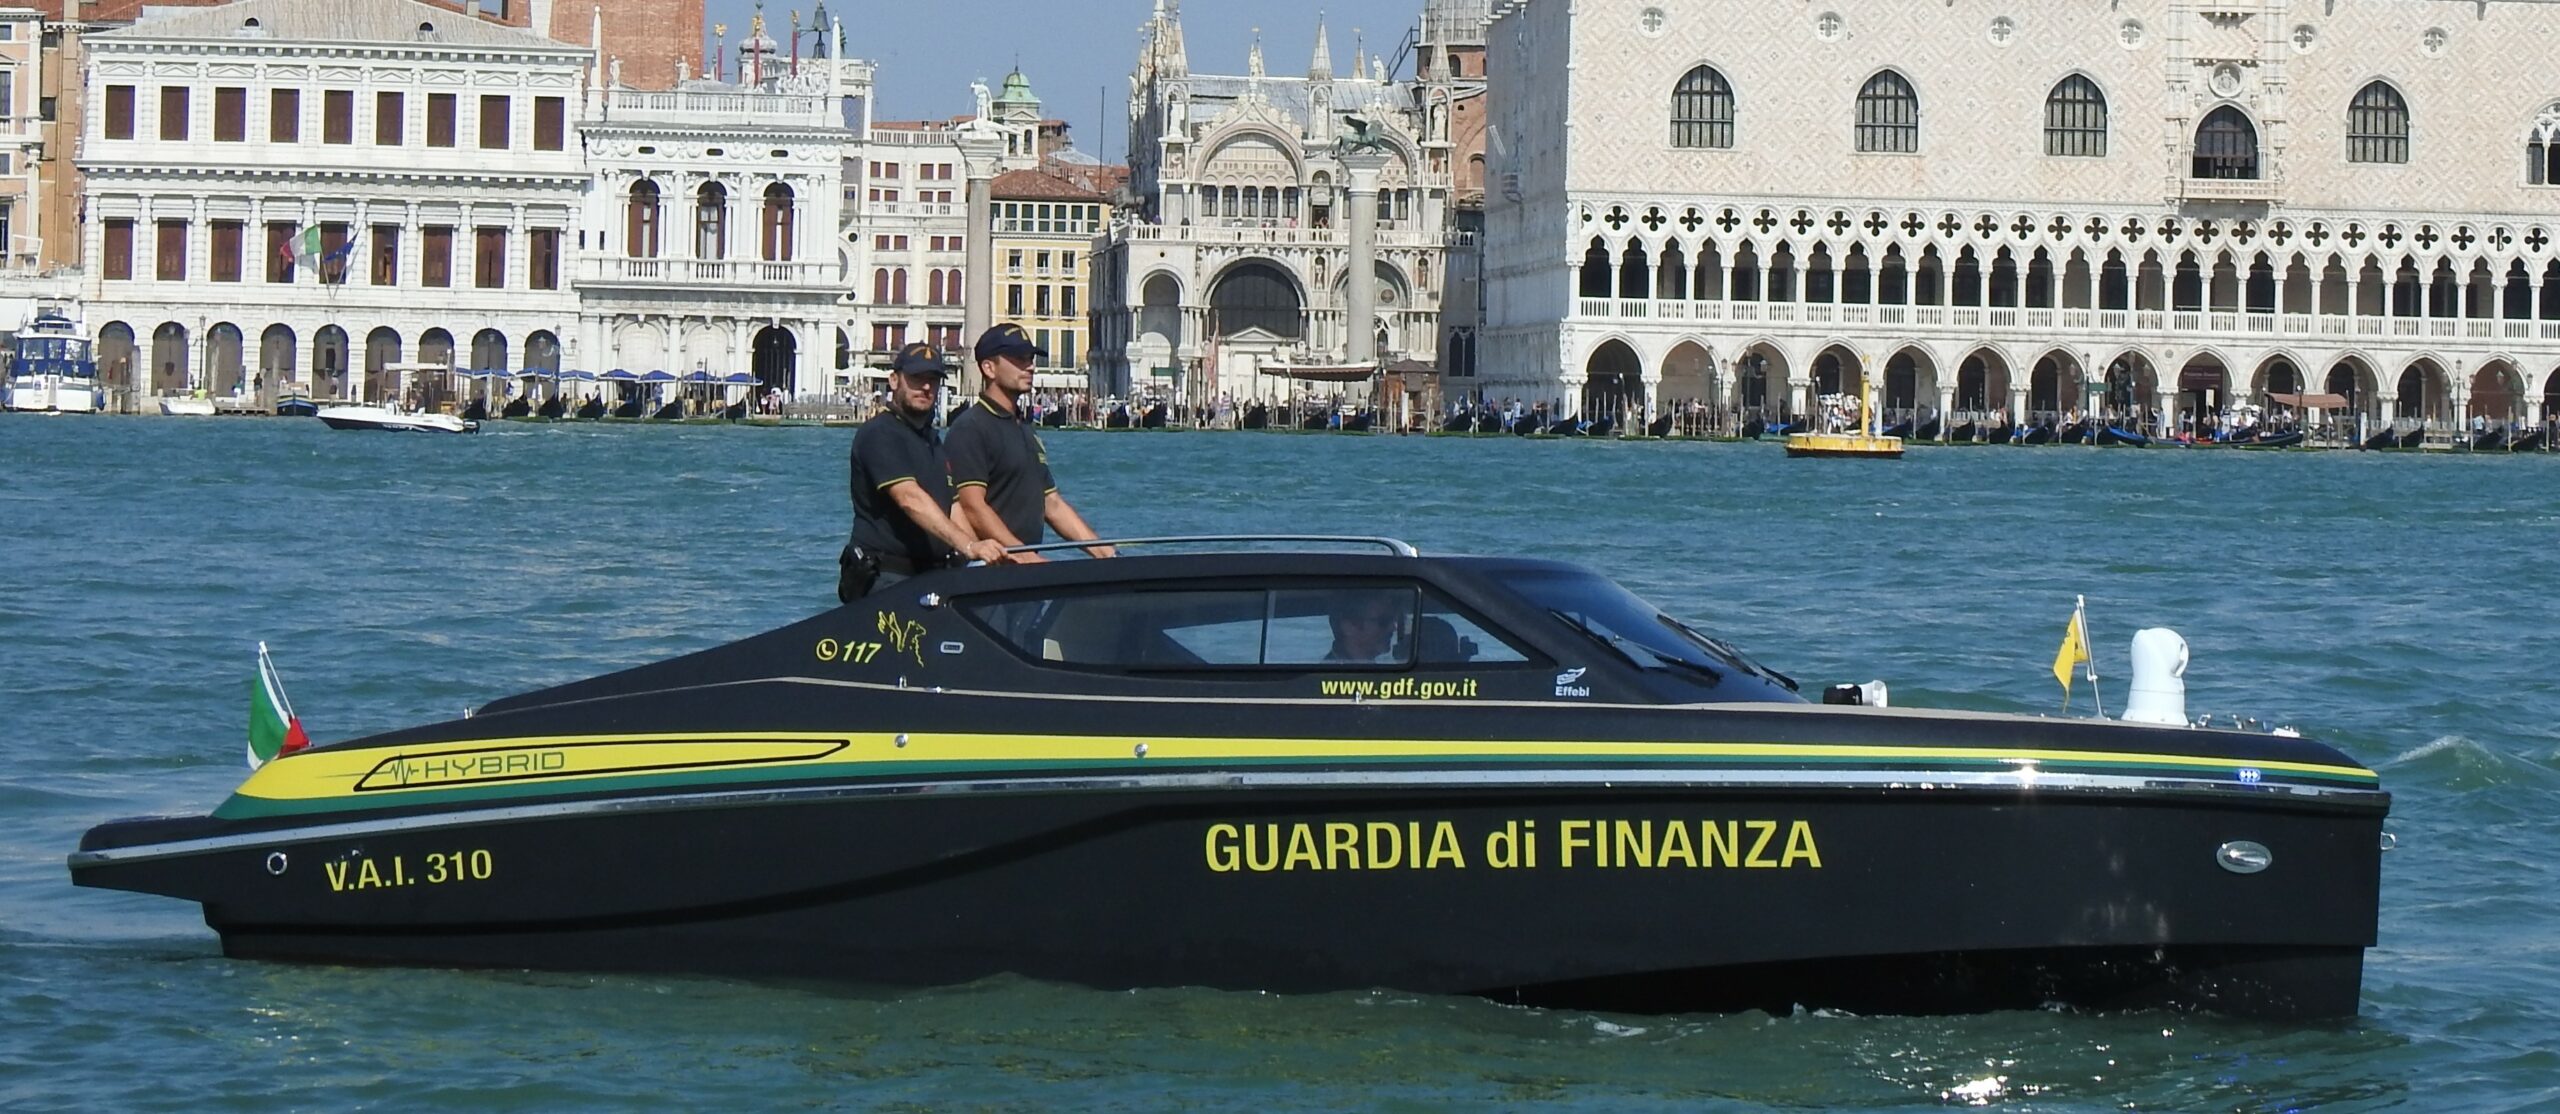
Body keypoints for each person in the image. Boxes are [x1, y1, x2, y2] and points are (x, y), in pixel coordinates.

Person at [838, 342, 1005, 602]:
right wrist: (969, 546)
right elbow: (909, 498)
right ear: (894, 381)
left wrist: (980, 562)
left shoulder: (932, 441)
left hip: (932, 577)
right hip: (887, 576)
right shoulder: (880, 433)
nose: (926, 387)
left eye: (933, 380)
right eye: (916, 378)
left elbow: (952, 506)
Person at [946, 323, 1116, 564]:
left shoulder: (1024, 427)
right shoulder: (971, 428)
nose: (1031, 366)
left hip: (1023, 567)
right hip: (991, 568)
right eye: (1019, 359)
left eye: (1030, 359)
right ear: (989, 368)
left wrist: (1106, 553)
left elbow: (1051, 503)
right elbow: (972, 506)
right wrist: (1024, 556)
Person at [1324, 592, 1408, 664]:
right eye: (1383, 621)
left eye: (1395, 619)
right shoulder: (1331, 675)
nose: (1394, 627)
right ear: (1348, 627)